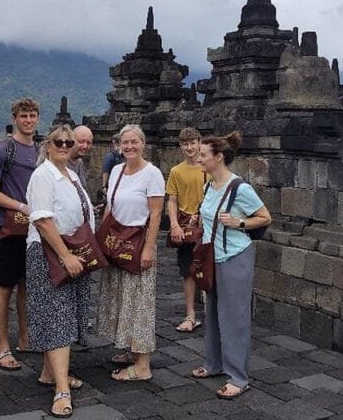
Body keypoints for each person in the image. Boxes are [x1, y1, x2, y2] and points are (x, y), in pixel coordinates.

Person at [190, 132, 272, 399]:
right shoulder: (209, 186)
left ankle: (238, 377)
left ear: (219, 157)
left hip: (234, 257)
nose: (199, 159)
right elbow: (209, 215)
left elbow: (264, 217)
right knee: (212, 311)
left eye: (203, 155)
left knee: (234, 317)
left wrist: (239, 223)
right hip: (212, 257)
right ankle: (214, 363)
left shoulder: (240, 188)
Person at [25, 125, 96, 418]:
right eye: (59, 142)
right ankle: (62, 390)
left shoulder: (71, 174)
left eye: (69, 142)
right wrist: (65, 255)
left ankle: (49, 373)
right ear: (48, 144)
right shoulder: (43, 175)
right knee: (57, 317)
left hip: (72, 250)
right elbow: (42, 220)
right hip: (51, 253)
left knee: (62, 313)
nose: (65, 145)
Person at [98, 124, 164, 382]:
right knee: (122, 299)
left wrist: (148, 248)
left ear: (143, 144)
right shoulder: (117, 171)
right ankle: (131, 349)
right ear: (118, 146)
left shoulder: (152, 174)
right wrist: (101, 239)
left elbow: (156, 214)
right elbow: (110, 207)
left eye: (134, 142)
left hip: (138, 243)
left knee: (138, 303)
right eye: (124, 143)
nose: (129, 147)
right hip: (117, 242)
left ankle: (143, 365)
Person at [0, 98, 41, 370]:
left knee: (27, 284)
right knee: (4, 285)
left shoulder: (41, 151)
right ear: (14, 119)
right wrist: (20, 206)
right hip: (8, 226)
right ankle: (2, 346)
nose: (28, 120)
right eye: (23, 116)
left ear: (38, 118)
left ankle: (25, 338)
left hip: (34, 228)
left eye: (32, 115)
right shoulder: (3, 150)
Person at [166, 127, 208, 333]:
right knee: (187, 271)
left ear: (200, 143)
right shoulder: (176, 171)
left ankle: (213, 312)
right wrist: (174, 224)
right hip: (185, 226)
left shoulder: (208, 168)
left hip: (207, 225)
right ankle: (190, 314)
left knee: (210, 267)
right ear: (180, 146)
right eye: (185, 144)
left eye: (193, 143)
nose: (190, 148)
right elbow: (172, 200)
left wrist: (202, 215)